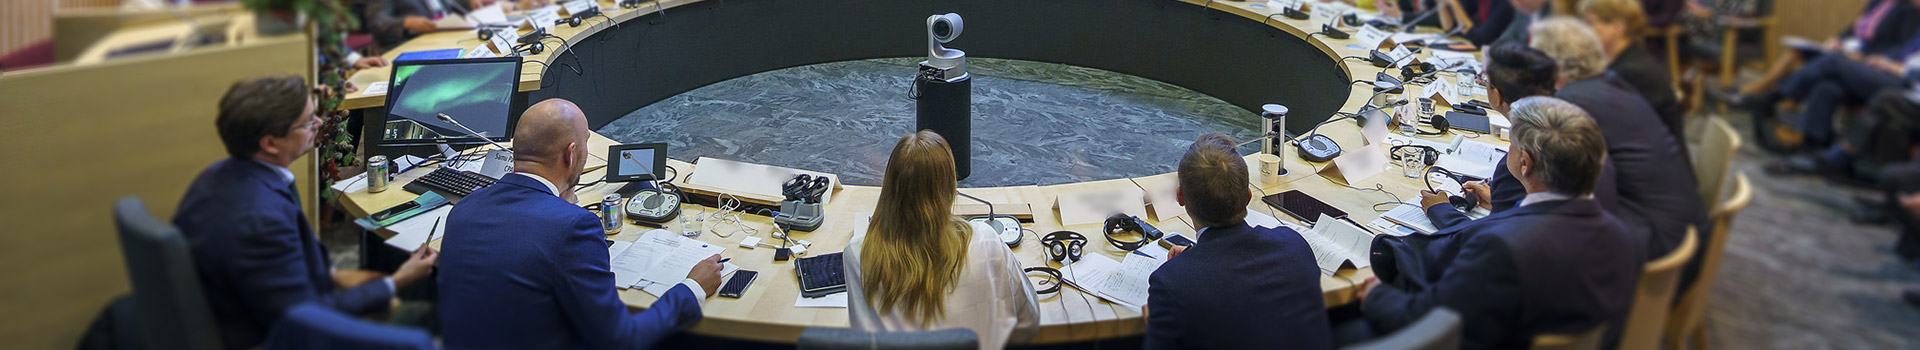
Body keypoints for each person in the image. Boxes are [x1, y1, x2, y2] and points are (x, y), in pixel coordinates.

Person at [174, 76, 438, 350]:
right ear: (270, 143)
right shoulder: (260, 219)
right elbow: (305, 318)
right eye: (308, 122)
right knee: (429, 316)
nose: (320, 124)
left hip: (254, 306)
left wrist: (332, 273)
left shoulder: (216, 176)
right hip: (270, 336)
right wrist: (395, 282)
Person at [438, 98, 723, 349]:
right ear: (571, 153)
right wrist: (692, 288)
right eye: (586, 142)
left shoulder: (465, 208)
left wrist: (558, 201)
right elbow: (621, 339)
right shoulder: (573, 227)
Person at [1358, 97, 1641, 350]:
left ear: (1525, 163)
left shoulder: (1500, 246)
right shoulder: (1621, 235)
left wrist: (1376, 296)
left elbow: (1428, 324)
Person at [1531, 17, 1709, 277]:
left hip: (1659, 255)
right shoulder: (1612, 82)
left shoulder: (1571, 103)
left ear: (1552, 67)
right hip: (1683, 232)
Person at [845, 130, 1039, 350]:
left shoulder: (858, 253)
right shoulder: (986, 241)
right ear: (951, 191)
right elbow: (1029, 318)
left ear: (888, 188)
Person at [1145, 133, 1332, 350]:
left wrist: (1187, 270)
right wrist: (1194, 263)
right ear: (1248, 197)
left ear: (1180, 197)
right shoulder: (1293, 245)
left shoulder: (1171, 283)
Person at [1422, 42, 1621, 231]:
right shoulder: (1567, 126)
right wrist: (1501, 201)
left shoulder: (1525, 154)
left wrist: (1440, 210)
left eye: (1485, 80)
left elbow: (1495, 240)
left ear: (1497, 96)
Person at [1580, 0, 1682, 147]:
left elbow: (1623, 131)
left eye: (1590, 23)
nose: (1585, 31)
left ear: (1617, 28)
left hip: (1655, 162)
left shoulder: (1633, 72)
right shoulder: (1627, 59)